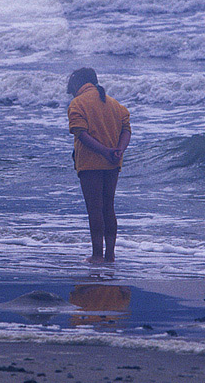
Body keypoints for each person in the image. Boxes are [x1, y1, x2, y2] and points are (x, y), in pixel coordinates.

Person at [66, 68, 131, 264]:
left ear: (78, 84)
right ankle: (110, 255)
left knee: (94, 210)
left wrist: (103, 151)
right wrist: (118, 150)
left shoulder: (77, 104)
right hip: (113, 161)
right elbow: (126, 130)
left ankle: (97, 255)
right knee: (108, 208)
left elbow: (82, 134)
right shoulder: (115, 104)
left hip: (90, 163)